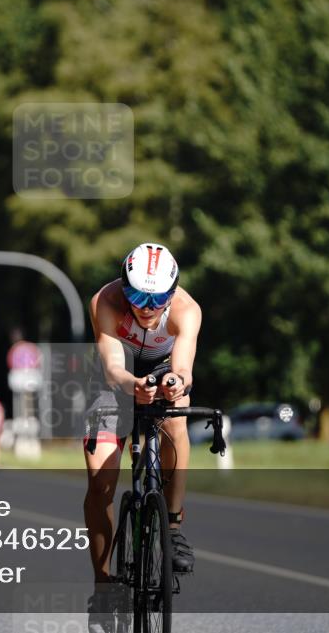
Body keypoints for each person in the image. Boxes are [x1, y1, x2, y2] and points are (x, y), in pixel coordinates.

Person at [84, 242, 201, 582]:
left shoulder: (186, 309)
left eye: (158, 299)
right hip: (113, 379)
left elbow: (184, 366)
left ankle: (174, 527)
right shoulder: (105, 300)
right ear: (124, 289)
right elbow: (113, 368)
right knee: (99, 485)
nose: (148, 308)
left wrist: (177, 382)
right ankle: (103, 582)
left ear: (173, 291)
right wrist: (131, 384)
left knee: (176, 414)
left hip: (162, 368)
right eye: (138, 298)